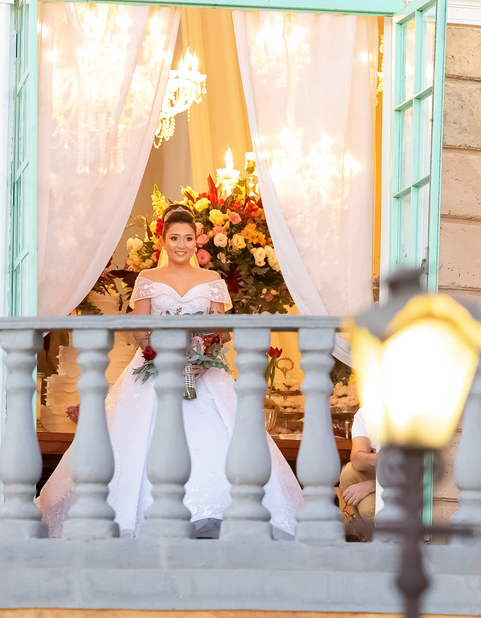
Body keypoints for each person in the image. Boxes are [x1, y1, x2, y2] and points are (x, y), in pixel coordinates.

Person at [38, 202, 303, 538]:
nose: (181, 244)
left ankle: (213, 515)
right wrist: (156, 351)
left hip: (202, 372)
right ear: (163, 241)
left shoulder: (212, 280)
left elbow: (223, 329)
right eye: (174, 238)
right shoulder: (148, 279)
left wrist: (205, 354)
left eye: (187, 238)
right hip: (153, 368)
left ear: (197, 242)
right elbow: (138, 327)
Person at [339, 406, 376, 540]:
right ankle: (371, 540)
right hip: (384, 475)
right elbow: (357, 459)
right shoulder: (367, 412)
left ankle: (387, 548)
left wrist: (373, 485)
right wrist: (379, 459)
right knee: (349, 473)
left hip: (409, 483)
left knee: (368, 510)